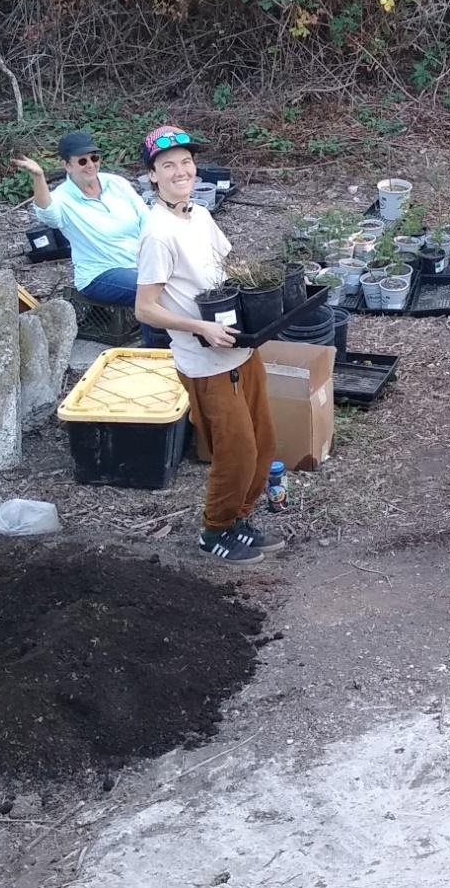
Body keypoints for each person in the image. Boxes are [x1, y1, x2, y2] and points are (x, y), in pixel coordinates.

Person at [132, 125, 284, 567]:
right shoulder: (158, 233)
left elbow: (226, 267)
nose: (180, 171)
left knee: (263, 444)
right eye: (168, 165)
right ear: (153, 177)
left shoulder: (198, 214)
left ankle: (239, 520)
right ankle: (214, 530)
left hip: (240, 348)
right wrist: (198, 328)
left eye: (185, 162)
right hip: (205, 361)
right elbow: (146, 308)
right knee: (235, 451)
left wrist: (261, 292)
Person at [12, 130, 162, 346]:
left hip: (141, 262)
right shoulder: (63, 198)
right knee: (150, 291)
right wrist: (38, 176)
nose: (90, 164)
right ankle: (155, 352)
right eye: (82, 160)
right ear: (67, 166)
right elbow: (47, 214)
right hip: (100, 273)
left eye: (94, 157)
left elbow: (147, 221)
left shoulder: (116, 183)